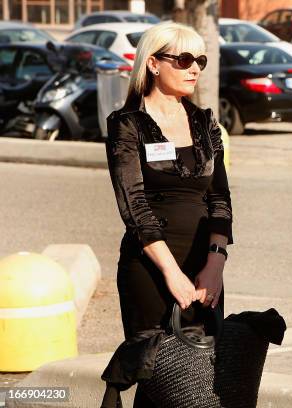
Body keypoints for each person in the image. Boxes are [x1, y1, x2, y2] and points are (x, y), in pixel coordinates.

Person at [105, 22, 232, 406]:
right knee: (157, 376)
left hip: (204, 266)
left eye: (201, 60)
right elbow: (135, 206)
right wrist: (171, 273)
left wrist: (215, 264)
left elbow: (220, 200)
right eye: (185, 59)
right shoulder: (126, 124)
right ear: (154, 64)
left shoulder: (205, 121)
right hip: (151, 270)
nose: (195, 68)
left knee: (200, 377)